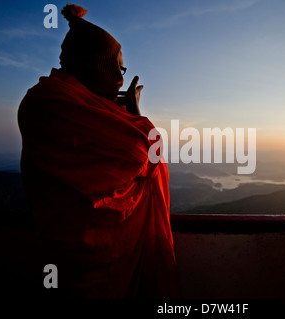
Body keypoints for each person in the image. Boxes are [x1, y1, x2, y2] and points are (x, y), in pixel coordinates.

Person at [17, 4, 178, 299]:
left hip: (61, 252)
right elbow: (146, 153)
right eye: (118, 65)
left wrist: (120, 110)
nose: (120, 74)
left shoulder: (42, 100)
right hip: (97, 261)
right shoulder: (59, 104)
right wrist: (134, 112)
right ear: (99, 65)